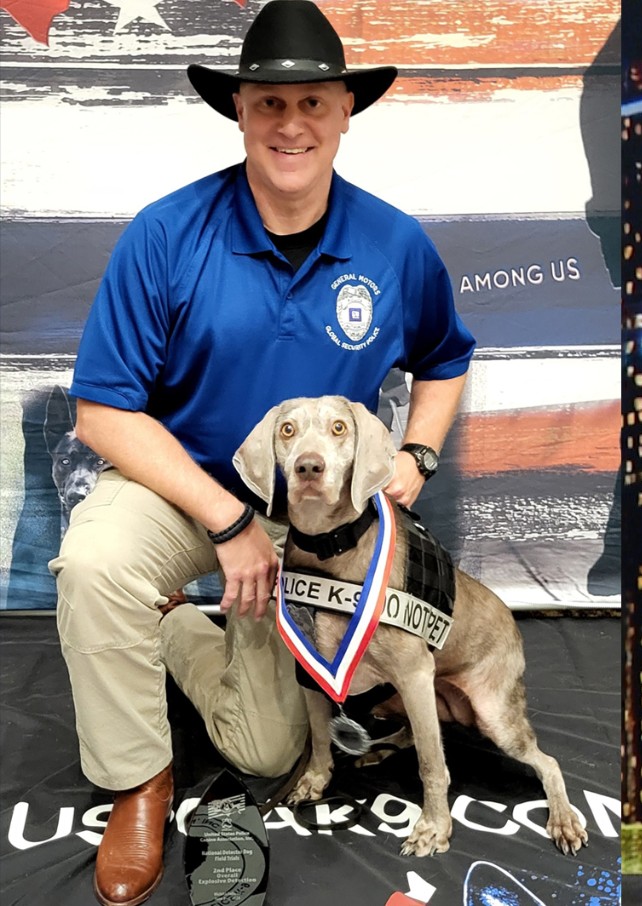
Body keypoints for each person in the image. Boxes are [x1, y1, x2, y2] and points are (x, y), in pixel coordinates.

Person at [49, 3, 475, 904]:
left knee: (270, 751)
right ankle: (138, 782)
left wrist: (419, 453)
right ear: (238, 110)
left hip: (315, 524)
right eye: (270, 103)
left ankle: (178, 630)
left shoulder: (393, 243)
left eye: (313, 102)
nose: (291, 124)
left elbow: (444, 359)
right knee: (94, 563)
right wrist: (229, 520)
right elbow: (103, 414)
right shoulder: (167, 233)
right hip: (179, 488)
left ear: (345, 111)